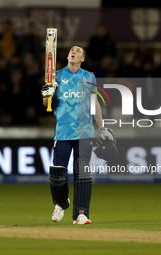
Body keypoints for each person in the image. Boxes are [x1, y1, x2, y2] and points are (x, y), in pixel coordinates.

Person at [41, 45, 115, 224]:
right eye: (71, 50)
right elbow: (46, 104)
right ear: (68, 56)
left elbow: (94, 102)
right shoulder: (56, 75)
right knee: (58, 173)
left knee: (82, 172)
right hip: (63, 131)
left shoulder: (88, 76)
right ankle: (60, 203)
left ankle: (81, 213)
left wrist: (102, 127)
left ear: (82, 58)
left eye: (78, 51)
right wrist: (46, 94)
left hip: (84, 131)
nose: (73, 52)